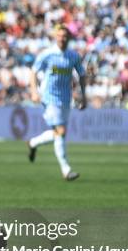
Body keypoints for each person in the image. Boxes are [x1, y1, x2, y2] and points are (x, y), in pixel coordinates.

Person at [27, 25, 87, 181]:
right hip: (49, 97)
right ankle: (66, 169)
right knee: (60, 131)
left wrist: (84, 96)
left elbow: (82, 74)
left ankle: (33, 143)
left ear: (69, 38)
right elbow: (33, 71)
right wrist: (34, 91)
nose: (62, 38)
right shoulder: (47, 54)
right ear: (55, 37)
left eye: (65, 36)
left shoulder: (73, 56)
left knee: (59, 133)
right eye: (59, 35)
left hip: (65, 98)